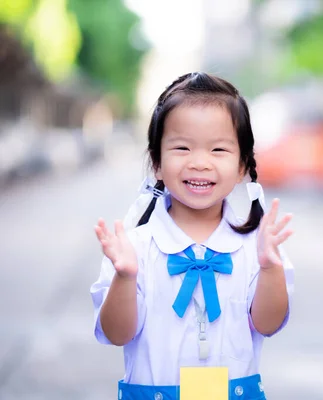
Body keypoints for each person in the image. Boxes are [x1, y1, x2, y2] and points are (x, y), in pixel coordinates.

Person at [90, 72, 295, 400]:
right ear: (157, 162)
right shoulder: (133, 247)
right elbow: (117, 333)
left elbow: (268, 324)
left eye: (218, 150)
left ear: (243, 165)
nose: (200, 163)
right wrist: (125, 276)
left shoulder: (256, 246)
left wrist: (271, 269)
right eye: (182, 148)